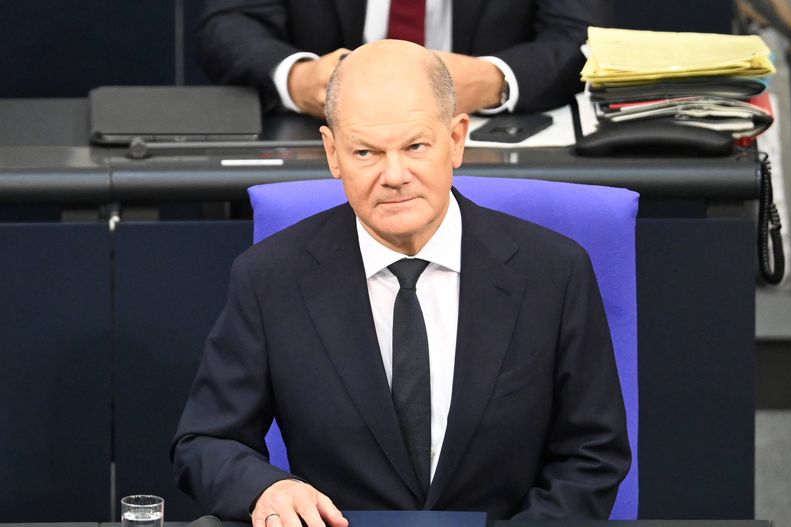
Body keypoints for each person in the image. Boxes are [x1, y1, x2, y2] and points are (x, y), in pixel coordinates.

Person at [171, 39, 629, 527]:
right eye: (365, 151)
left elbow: (592, 454)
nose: (394, 175)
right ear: (332, 153)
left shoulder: (553, 271)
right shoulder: (270, 278)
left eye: (415, 147)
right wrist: (266, 488)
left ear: (456, 139)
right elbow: (205, 441)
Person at [196, 0, 612, 116]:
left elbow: (581, 35)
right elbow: (230, 22)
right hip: (326, 143)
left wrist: (493, 80)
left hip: (482, 144)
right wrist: (299, 79)